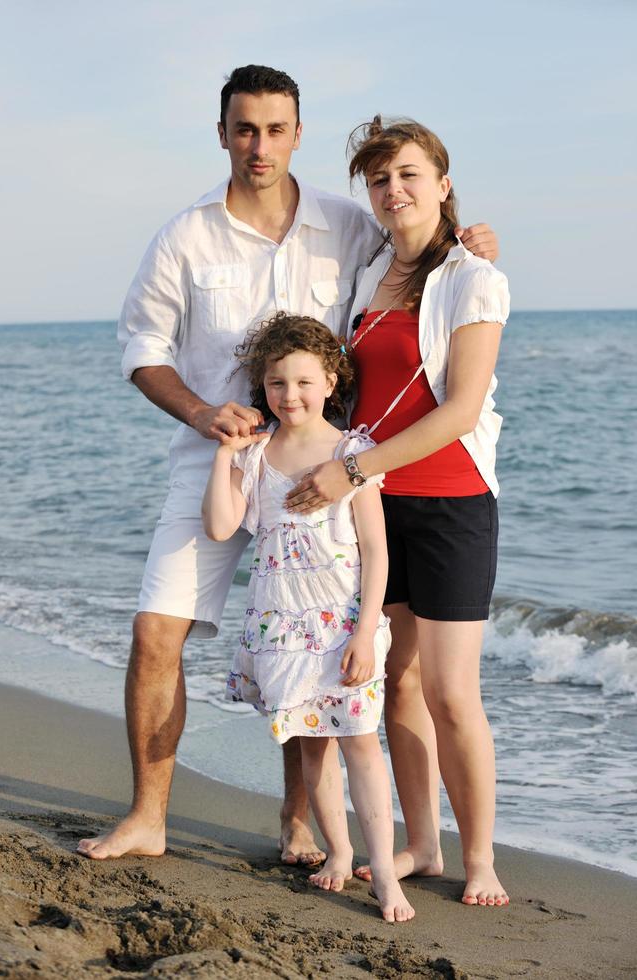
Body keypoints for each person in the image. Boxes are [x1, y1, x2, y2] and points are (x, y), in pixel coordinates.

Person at [76, 64, 498, 865]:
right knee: (155, 631)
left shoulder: (348, 224)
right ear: (223, 133)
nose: (259, 145)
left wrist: (475, 237)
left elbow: (421, 255)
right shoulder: (185, 235)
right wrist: (202, 412)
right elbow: (141, 349)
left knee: (309, 642)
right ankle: (147, 817)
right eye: (244, 129)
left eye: (275, 129)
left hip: (320, 476)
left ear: (297, 133)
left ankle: (300, 824)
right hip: (218, 462)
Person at [284, 117, 510, 907]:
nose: (395, 190)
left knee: (451, 692)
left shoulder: (473, 277)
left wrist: (350, 468)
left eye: (411, 175)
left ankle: (480, 857)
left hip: (449, 503)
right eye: (380, 179)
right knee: (396, 684)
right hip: (377, 507)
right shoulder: (368, 272)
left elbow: (459, 409)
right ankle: (423, 844)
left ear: (442, 185)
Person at [202, 312, 414, 922]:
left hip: (343, 624)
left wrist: (368, 633)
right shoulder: (260, 455)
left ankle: (386, 877)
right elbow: (220, 525)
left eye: (301, 381)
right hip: (281, 624)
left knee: (360, 746)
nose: (288, 395)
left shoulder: (353, 454)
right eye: (275, 383)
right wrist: (227, 457)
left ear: (329, 380)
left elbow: (376, 552)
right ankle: (339, 855)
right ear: (261, 388)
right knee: (313, 749)